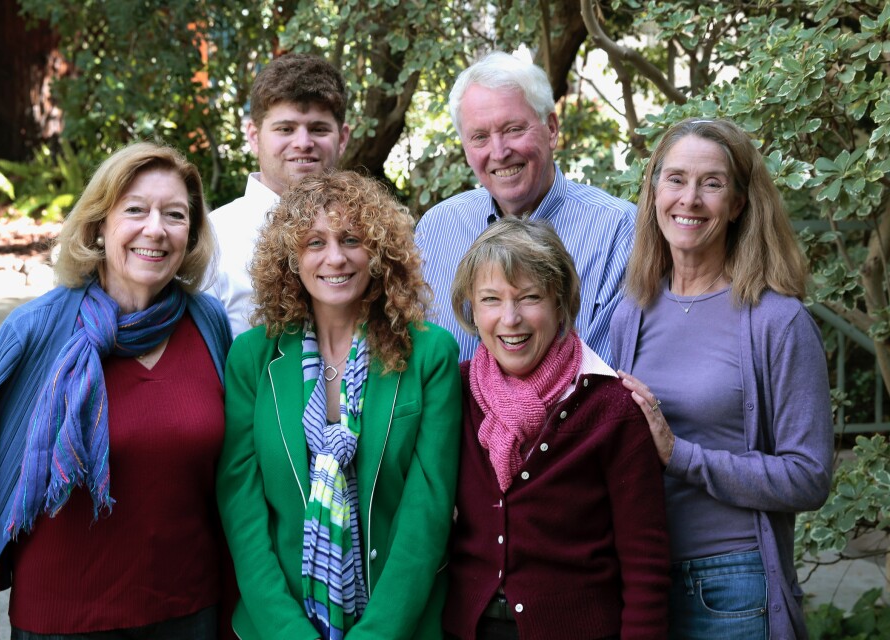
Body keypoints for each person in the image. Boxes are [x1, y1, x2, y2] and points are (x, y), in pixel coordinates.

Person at [0, 142, 235, 639]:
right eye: (134, 210)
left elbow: (228, 490)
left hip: (190, 613)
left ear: (192, 233)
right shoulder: (35, 333)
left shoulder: (208, 325)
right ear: (99, 225)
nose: (155, 229)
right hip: (62, 623)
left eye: (175, 215)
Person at [610, 118, 833, 639]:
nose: (689, 199)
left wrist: (679, 454)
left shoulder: (777, 321)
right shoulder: (632, 310)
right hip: (641, 581)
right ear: (654, 191)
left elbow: (809, 476)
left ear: (737, 204)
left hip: (732, 584)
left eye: (711, 183)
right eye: (675, 179)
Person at [216, 170, 462, 639]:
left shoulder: (430, 354)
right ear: (291, 257)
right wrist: (289, 633)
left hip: (402, 624)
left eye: (351, 239)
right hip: (277, 624)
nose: (335, 258)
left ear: (379, 250)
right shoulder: (252, 357)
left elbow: (426, 513)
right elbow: (242, 510)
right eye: (314, 243)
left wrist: (376, 635)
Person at [444, 216, 670, 640]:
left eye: (530, 297)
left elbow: (646, 569)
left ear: (560, 303)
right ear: (471, 308)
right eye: (491, 299)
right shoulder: (453, 395)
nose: (510, 319)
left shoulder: (612, 409)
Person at [415, 51, 634, 365]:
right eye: (479, 137)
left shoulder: (617, 230)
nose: (500, 152)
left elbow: (600, 380)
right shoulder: (437, 229)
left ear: (552, 128)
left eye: (514, 129)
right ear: (465, 148)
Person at [207, 52, 351, 336]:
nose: (303, 143)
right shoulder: (213, 240)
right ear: (253, 136)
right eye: (285, 129)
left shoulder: (369, 236)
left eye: (318, 129)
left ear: (342, 138)